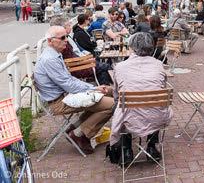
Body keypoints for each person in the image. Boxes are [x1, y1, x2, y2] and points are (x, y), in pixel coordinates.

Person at [34, 26, 114, 155]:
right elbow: (69, 84)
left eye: (66, 36)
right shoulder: (50, 59)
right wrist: (93, 87)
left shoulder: (54, 55)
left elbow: (69, 80)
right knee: (112, 104)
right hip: (59, 102)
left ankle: (75, 128)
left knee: (110, 91)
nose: (66, 40)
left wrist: (93, 88)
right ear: (50, 41)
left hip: (63, 95)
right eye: (62, 38)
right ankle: (81, 135)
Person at [109, 32, 173, 164]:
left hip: (129, 119)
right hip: (157, 117)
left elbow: (116, 94)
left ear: (132, 47)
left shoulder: (120, 67)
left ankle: (126, 149)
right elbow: (162, 85)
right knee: (154, 105)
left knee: (120, 105)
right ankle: (151, 146)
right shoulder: (158, 65)